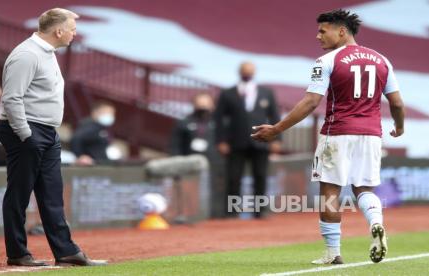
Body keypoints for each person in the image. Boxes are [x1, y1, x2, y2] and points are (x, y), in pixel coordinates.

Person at [252, 9, 404, 264]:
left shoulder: (327, 61)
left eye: (323, 31)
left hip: (337, 132)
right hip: (372, 135)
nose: (318, 36)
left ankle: (333, 253)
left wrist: (277, 129)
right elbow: (397, 103)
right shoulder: (382, 60)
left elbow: (311, 102)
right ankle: (376, 222)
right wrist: (399, 127)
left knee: (330, 191)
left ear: (341, 31)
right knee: (364, 188)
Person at [0, 8, 105, 266]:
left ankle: (66, 251)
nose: (74, 34)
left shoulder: (46, 52)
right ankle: (18, 253)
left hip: (45, 130)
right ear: (58, 31)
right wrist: (26, 134)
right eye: (72, 29)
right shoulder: (26, 54)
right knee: (19, 194)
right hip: (25, 129)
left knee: (52, 194)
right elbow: (12, 98)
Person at [214, 61, 282, 219]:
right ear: (239, 72)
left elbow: (275, 117)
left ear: (254, 72)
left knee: (260, 176)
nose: (247, 73)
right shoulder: (227, 93)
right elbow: (218, 119)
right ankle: (231, 212)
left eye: (250, 70)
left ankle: (260, 211)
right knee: (233, 177)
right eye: (245, 70)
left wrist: (276, 138)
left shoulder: (266, 92)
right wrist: (221, 140)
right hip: (235, 142)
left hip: (261, 141)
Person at [170, 92, 225, 217]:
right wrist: (176, 162)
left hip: (214, 162)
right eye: (200, 104)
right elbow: (175, 145)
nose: (203, 107)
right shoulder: (184, 122)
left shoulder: (220, 122)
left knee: (214, 190)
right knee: (189, 190)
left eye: (206, 104)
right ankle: (189, 214)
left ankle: (215, 215)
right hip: (190, 162)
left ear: (212, 105)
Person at [70, 100, 120, 165]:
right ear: (95, 112)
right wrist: (80, 156)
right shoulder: (89, 126)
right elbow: (76, 139)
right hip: (90, 168)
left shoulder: (101, 128)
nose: (110, 116)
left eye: (112, 113)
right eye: (107, 112)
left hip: (100, 165)